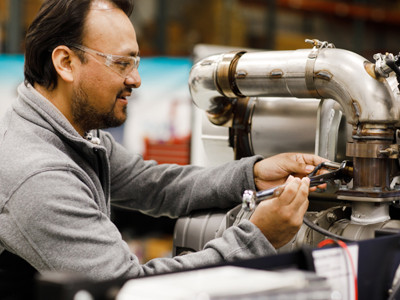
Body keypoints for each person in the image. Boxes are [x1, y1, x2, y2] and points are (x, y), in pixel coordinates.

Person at [0, 0, 327, 283]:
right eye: (121, 63)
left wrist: (252, 175)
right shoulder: (38, 176)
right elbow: (129, 288)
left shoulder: (74, 133)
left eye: (136, 63)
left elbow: (155, 184)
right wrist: (257, 238)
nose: (136, 79)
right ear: (65, 63)